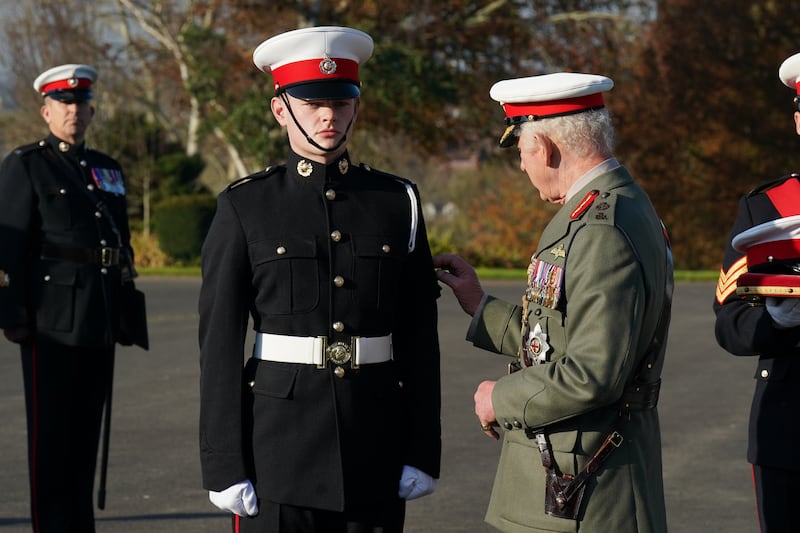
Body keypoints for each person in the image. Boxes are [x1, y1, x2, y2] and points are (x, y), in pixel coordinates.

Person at [198, 26, 441, 533]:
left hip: (373, 442)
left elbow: (419, 338)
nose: (328, 115)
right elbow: (219, 344)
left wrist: (422, 449)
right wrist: (224, 463)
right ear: (281, 109)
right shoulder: (245, 205)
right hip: (277, 454)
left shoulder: (398, 202)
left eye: (340, 101)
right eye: (311, 104)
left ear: (357, 106)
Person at [434, 72, 673, 532]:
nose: (523, 166)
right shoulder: (613, 205)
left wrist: (497, 399)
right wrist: (480, 305)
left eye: (521, 152)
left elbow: (592, 372)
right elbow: (559, 332)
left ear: (544, 147)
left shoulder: (601, 228)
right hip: (580, 479)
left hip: (587, 488)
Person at [0, 64, 146, 532]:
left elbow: (119, 243)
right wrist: (14, 314)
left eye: (81, 104)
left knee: (85, 437)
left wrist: (123, 308)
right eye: (64, 103)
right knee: (51, 442)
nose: (73, 112)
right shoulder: (26, 164)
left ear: (92, 110)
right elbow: (9, 248)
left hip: (98, 317)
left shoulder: (107, 168)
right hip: (50, 322)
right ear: (46, 110)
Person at [713, 51, 800, 532]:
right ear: (798, 122)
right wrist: (780, 320)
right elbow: (729, 324)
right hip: (789, 430)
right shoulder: (767, 209)